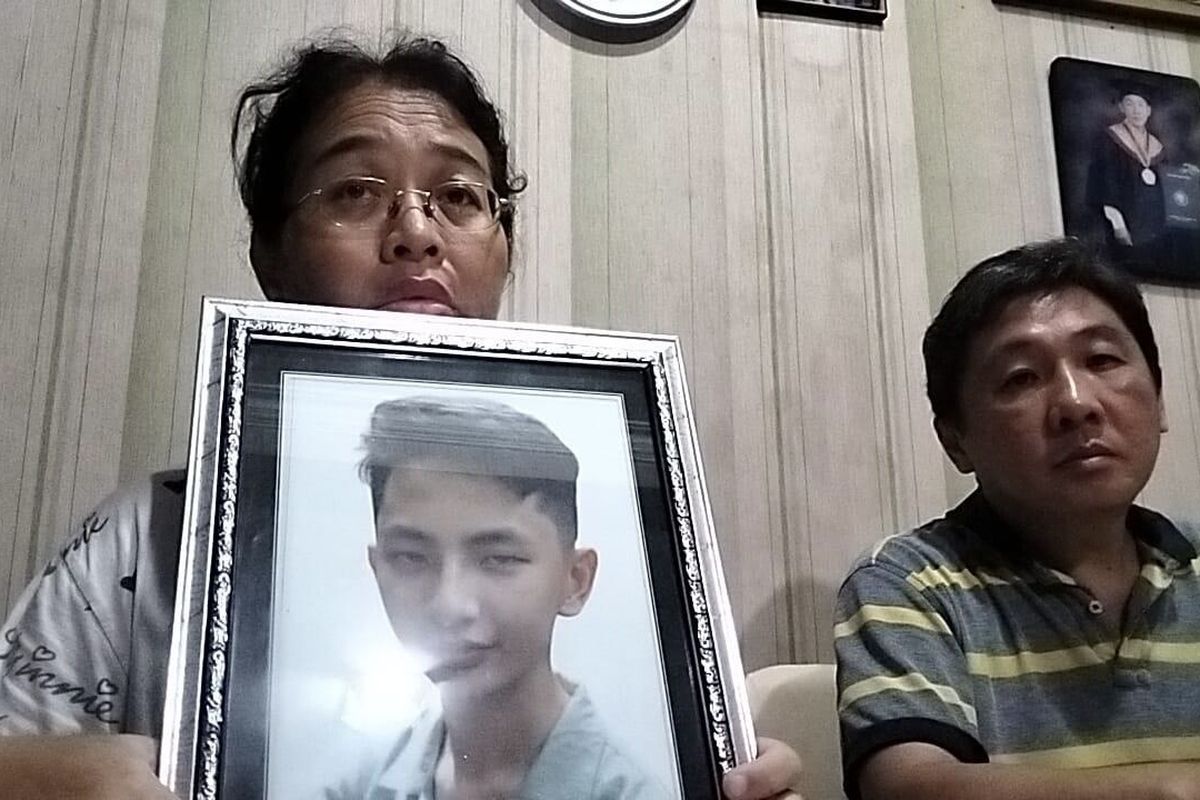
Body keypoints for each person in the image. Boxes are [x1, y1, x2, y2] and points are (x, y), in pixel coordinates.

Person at [0, 34, 800, 799]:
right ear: (271, 258)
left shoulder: (652, 534)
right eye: (354, 191)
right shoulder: (148, 539)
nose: (417, 233)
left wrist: (717, 769)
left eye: (458, 197)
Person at [834, 237, 1200, 800]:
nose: (1077, 403)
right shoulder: (909, 582)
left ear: (1160, 399)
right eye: (1021, 378)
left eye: (1102, 360)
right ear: (956, 441)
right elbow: (910, 786)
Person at [321, 395, 661, 799]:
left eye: (499, 559)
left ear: (575, 580)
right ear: (378, 568)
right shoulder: (358, 787)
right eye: (411, 557)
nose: (450, 606)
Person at [1089, 86, 1167, 253]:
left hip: (1156, 231)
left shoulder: (1157, 145)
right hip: (1123, 229)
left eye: (1140, 105)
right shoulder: (1109, 139)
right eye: (1130, 104)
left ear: (1148, 110)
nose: (1136, 111)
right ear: (1121, 108)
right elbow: (1104, 188)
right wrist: (1120, 229)